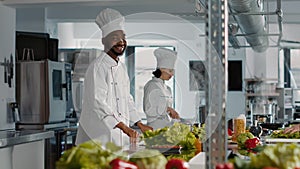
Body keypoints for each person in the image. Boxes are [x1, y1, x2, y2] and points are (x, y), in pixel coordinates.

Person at [76, 8, 152, 147]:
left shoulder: (121, 68)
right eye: (115, 38)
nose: (121, 41)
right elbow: (97, 103)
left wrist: (139, 124)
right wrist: (125, 128)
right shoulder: (97, 67)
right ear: (104, 41)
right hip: (96, 138)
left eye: (123, 37)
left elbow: (127, 99)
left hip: (118, 137)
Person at [143, 47, 180, 130]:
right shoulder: (151, 85)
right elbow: (148, 110)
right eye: (170, 71)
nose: (172, 74)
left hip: (166, 128)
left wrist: (171, 112)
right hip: (155, 129)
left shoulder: (168, 89)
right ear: (161, 70)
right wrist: (167, 109)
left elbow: (166, 110)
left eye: (173, 71)